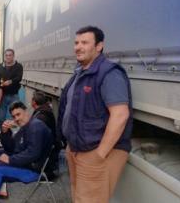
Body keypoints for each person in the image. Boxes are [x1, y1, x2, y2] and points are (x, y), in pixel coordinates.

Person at [57, 26, 133, 203]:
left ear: (99, 46)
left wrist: (99, 154)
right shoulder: (80, 72)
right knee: (79, 198)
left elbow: (120, 115)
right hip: (77, 149)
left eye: (85, 42)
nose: (78, 47)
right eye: (76, 43)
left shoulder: (109, 73)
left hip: (94, 151)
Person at [0, 101, 53, 203]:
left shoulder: (36, 126)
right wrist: (5, 132)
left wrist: (10, 159)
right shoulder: (26, 126)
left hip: (36, 171)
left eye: (18, 114)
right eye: (14, 116)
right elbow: (11, 148)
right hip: (29, 164)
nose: (16, 119)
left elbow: (33, 154)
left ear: (26, 112)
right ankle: (0, 187)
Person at [31, 91, 60, 178]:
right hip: (47, 147)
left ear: (34, 102)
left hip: (44, 151)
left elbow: (37, 138)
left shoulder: (42, 116)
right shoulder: (44, 111)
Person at [0, 49, 23, 122]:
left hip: (14, 95)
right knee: (1, 117)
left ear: (13, 56)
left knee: (14, 116)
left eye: (10, 55)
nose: (8, 57)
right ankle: (3, 132)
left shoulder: (18, 66)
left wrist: (10, 81)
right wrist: (1, 83)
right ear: (4, 56)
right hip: (2, 95)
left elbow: (19, 78)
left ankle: (13, 133)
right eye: (6, 55)